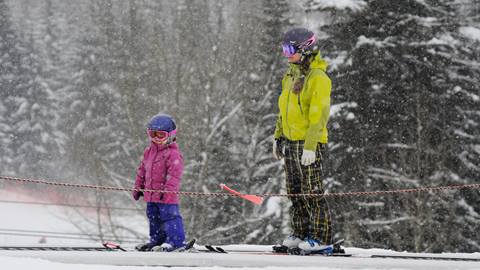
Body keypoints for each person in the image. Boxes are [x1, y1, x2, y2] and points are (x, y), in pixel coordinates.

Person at [273, 28, 333, 252]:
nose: (286, 55)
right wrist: (278, 136)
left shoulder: (318, 78)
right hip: (290, 141)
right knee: (294, 191)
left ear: (306, 48)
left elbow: (319, 115)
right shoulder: (290, 76)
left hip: (309, 143)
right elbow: (283, 110)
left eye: (290, 50)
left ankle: (320, 237)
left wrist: (311, 146)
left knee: (312, 191)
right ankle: (301, 232)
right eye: (284, 49)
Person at [133, 114, 186, 252]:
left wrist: (167, 192)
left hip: (166, 197)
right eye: (152, 134)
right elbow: (142, 170)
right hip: (151, 195)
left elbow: (174, 176)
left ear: (171, 135)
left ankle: (175, 242)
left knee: (170, 217)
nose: (156, 138)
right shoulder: (148, 152)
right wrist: (138, 186)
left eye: (160, 135)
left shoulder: (173, 154)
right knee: (153, 218)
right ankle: (157, 240)